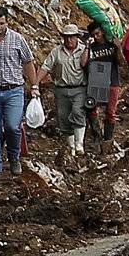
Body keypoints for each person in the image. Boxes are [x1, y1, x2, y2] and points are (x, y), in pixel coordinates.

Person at [0, 6, 35, 175]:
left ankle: (14, 158)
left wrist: (34, 85)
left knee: (12, 126)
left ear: (7, 22)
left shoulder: (17, 39)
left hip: (14, 90)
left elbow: (28, 62)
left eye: (2, 23)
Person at [44, 24, 89, 159]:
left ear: (77, 38)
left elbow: (86, 64)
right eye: (66, 37)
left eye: (72, 37)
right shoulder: (57, 52)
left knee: (77, 111)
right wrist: (35, 83)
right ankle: (71, 147)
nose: (69, 40)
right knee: (63, 117)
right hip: (61, 89)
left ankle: (79, 143)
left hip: (79, 88)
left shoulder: (84, 50)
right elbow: (46, 66)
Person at [84, 24, 120, 145]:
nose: (96, 37)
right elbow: (83, 63)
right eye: (93, 35)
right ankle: (96, 135)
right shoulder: (91, 48)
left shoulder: (111, 46)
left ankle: (108, 139)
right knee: (91, 108)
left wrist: (118, 48)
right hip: (96, 81)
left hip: (112, 81)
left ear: (103, 32)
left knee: (110, 112)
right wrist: (87, 47)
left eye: (97, 34)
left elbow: (121, 62)